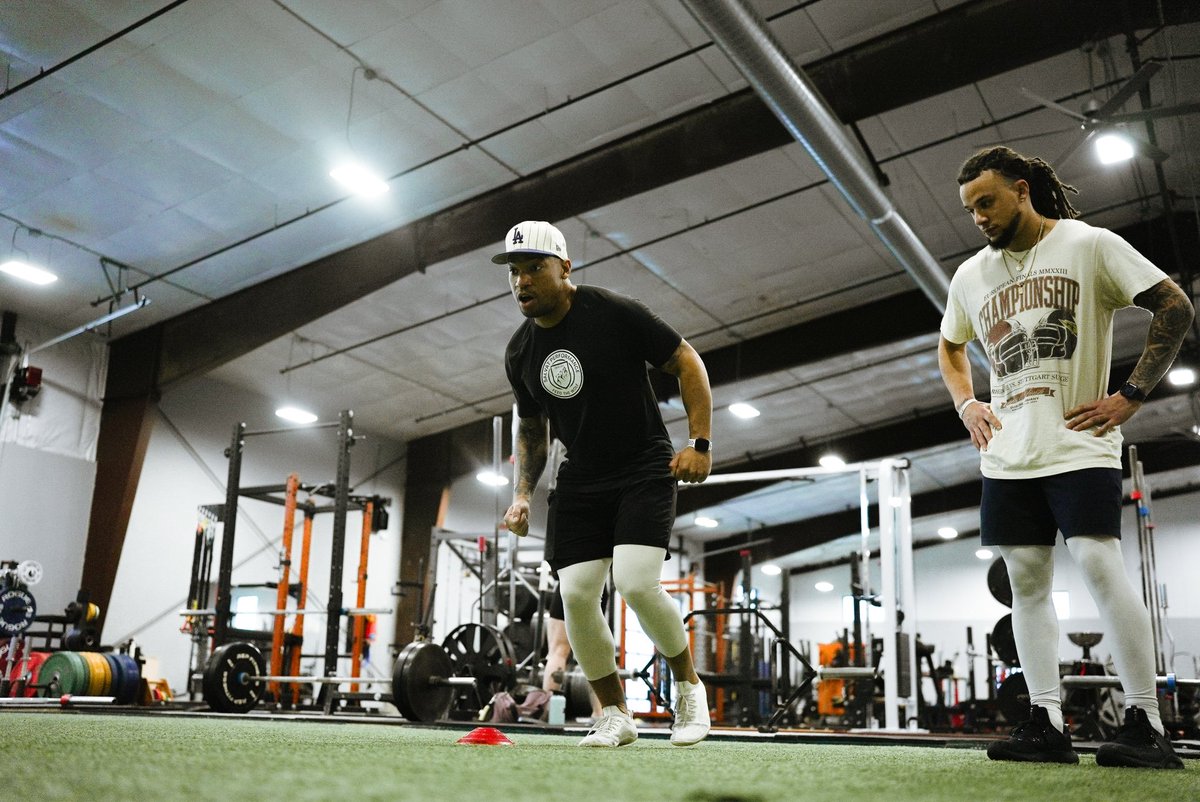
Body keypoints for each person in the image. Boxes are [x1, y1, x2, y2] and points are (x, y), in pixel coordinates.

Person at [939, 146, 1193, 769]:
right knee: (1025, 584)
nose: (979, 218)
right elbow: (949, 348)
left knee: (1098, 565)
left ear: (1021, 190)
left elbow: (1174, 305)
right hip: (1007, 454)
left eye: (988, 202)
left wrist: (1131, 395)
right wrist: (968, 404)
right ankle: (1045, 721)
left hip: (1078, 441)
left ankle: (1144, 721)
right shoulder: (971, 276)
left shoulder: (1088, 244)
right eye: (970, 209)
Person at [496, 220, 713, 748]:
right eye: (515, 273)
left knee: (637, 583)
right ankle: (614, 713)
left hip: (643, 464)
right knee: (574, 594)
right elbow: (531, 428)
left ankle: (688, 687)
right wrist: (523, 493)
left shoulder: (614, 312)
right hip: (582, 476)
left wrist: (700, 443)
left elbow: (686, 360)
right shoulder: (520, 352)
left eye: (535, 269)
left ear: (564, 268)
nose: (522, 282)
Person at [542, 584, 605, 720]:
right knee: (594, 654)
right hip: (598, 585)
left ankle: (550, 714)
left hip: (570, 580)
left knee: (558, 651)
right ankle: (599, 715)